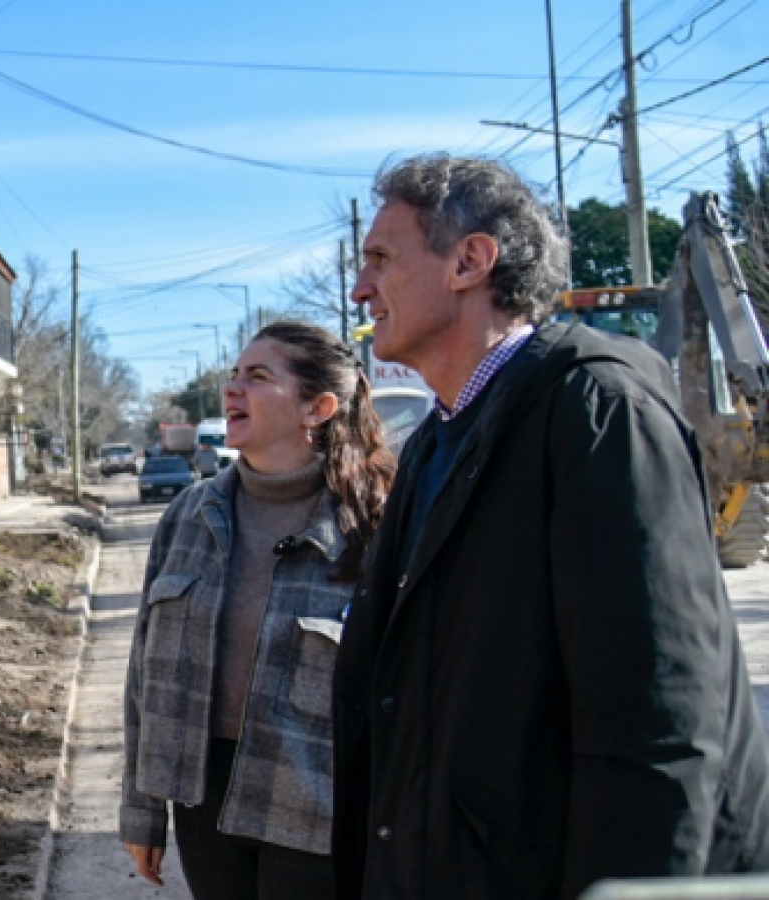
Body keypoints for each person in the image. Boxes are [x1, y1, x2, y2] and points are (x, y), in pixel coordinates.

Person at [333, 153, 769, 900]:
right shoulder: (440, 440)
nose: (360, 287)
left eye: (380, 258)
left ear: (471, 260)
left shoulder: (599, 413)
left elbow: (657, 720)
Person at [121, 320, 396, 899]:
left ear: (317, 408)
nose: (233, 390)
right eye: (234, 376)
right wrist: (142, 811)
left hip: (321, 807)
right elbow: (143, 677)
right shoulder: (190, 516)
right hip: (202, 798)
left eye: (258, 377)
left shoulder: (375, 525)